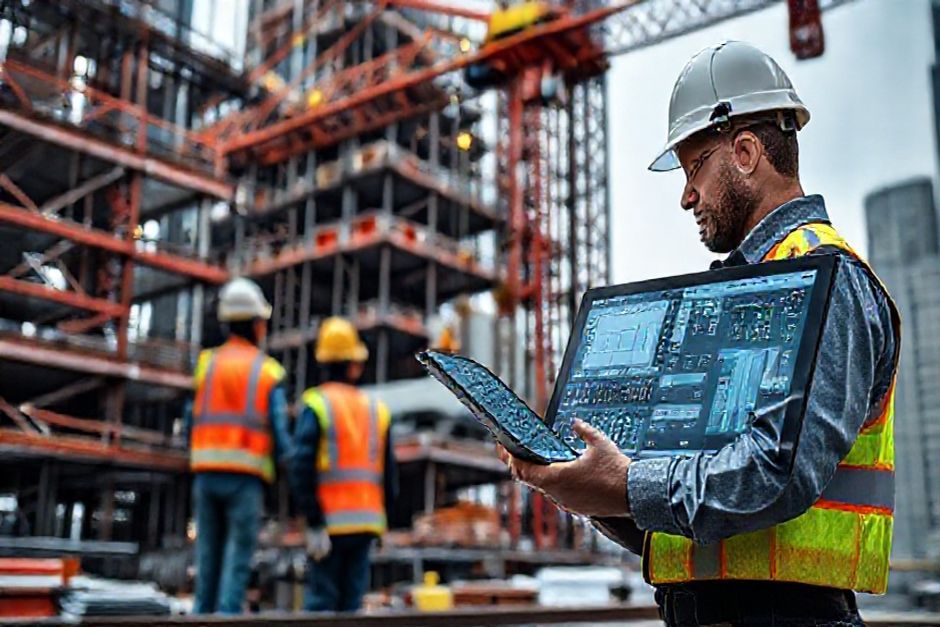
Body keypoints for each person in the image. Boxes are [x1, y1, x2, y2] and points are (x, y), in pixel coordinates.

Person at [500, 41, 900, 627]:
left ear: (744, 153)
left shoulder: (827, 278)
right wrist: (587, 490)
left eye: (693, 168)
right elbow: (693, 514)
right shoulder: (730, 298)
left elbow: (775, 474)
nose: (686, 195)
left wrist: (630, 481)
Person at [185, 278, 292, 614]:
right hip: (245, 476)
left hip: (205, 473)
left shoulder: (207, 363)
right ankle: (227, 620)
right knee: (236, 563)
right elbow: (278, 430)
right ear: (258, 324)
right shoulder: (266, 370)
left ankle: (202, 618)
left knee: (207, 560)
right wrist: (291, 469)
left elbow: (191, 417)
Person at [290, 317, 397, 612]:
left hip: (329, 525)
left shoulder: (316, 404)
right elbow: (389, 477)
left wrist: (311, 519)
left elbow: (300, 467)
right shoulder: (377, 410)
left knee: (322, 605)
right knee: (352, 607)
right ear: (354, 364)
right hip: (365, 524)